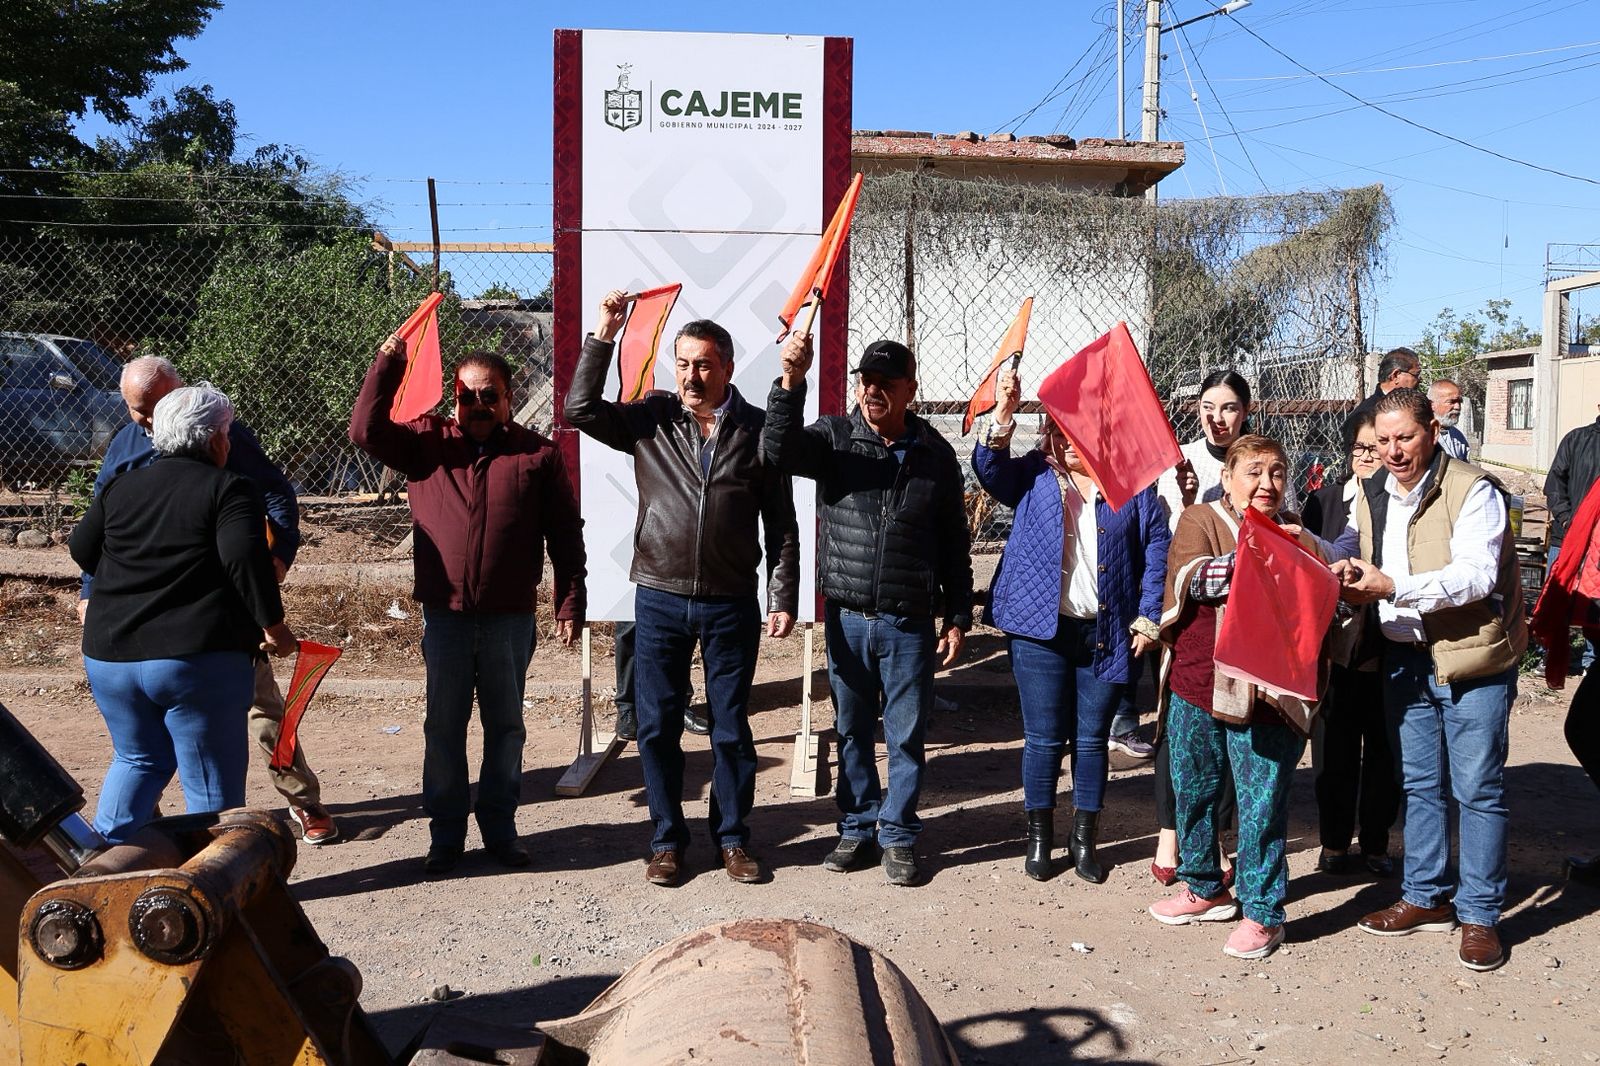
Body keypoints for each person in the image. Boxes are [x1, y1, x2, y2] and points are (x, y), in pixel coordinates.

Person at [566, 292, 798, 887]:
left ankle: (732, 838)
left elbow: (781, 520)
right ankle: (667, 841)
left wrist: (782, 592)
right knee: (658, 723)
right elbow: (581, 409)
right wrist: (604, 334)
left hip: (729, 602)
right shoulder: (652, 419)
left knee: (730, 727)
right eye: (684, 363)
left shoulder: (756, 429)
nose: (692, 376)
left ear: (726, 368)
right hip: (660, 596)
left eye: (703, 365)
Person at [77, 356, 338, 845]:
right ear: (217, 439)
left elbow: (81, 547)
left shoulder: (122, 486)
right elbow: (243, 560)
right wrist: (275, 627)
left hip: (111, 655)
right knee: (209, 782)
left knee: (137, 760)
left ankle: (100, 866)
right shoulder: (227, 487)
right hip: (195, 655)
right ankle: (211, 888)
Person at [351, 341, 586, 875]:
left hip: (509, 618)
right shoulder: (425, 442)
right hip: (447, 616)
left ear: (508, 398)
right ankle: (446, 837)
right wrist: (387, 362)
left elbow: (565, 536)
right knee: (444, 727)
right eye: (466, 396)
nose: (477, 405)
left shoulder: (537, 456)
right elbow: (365, 430)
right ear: (453, 398)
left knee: (506, 728)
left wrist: (570, 600)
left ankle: (500, 829)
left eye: (489, 396)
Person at [767, 331, 972, 888]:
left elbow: (954, 539)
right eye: (865, 380)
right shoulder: (835, 437)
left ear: (909, 389)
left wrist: (958, 615)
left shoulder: (935, 455)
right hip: (849, 616)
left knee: (905, 735)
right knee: (853, 729)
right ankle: (857, 827)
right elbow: (776, 451)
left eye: (886, 382)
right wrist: (790, 382)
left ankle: (899, 834)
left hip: (908, 622)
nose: (872, 390)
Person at [1330, 388, 1524, 972]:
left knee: (1478, 791)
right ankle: (1424, 896)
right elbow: (1354, 553)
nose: (1392, 451)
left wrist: (1392, 588)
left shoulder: (1472, 490)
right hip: (1404, 662)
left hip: (1471, 661)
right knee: (1420, 786)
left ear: (1432, 432)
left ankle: (1481, 916)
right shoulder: (1371, 493)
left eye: (1404, 438)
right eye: (1382, 441)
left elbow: (1474, 577)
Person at [974, 366, 1169, 883]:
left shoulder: (1134, 486)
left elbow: (1156, 552)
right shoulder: (1036, 474)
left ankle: (1084, 839)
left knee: (1091, 741)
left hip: (1106, 632)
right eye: (1058, 431)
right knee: (1042, 738)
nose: (1065, 441)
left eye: (1075, 431)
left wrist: (1149, 614)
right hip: (1040, 631)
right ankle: (1039, 838)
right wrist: (1004, 417)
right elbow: (989, 472)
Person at [1147, 434, 1325, 960]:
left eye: (1275, 472)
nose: (1266, 483)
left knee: (1260, 799)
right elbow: (1189, 577)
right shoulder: (1200, 520)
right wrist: (1262, 555)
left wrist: (1293, 552)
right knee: (1195, 787)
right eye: (1253, 471)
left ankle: (1264, 913)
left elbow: (1317, 589)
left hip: (1267, 692)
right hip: (1198, 680)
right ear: (1226, 477)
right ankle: (1205, 885)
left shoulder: (1297, 533)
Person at [1149, 369, 1256, 885]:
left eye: (1229, 407)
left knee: (1235, 725)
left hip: (1242, 623)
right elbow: (1168, 542)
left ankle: (1215, 834)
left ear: (1246, 411)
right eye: (1209, 406)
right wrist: (1189, 500)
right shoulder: (1179, 460)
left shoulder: (1258, 463)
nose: (1218, 417)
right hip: (1187, 613)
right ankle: (1170, 834)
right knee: (1179, 730)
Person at [1301, 409, 1399, 877]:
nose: (1365, 457)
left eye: (1373, 448)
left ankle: (1376, 843)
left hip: (1386, 646)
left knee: (1384, 752)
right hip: (1336, 647)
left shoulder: (1399, 503)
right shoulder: (1322, 501)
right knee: (1333, 751)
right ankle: (1334, 843)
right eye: (1357, 448)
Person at [1545, 402, 1600, 673]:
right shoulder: (1577, 439)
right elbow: (1555, 484)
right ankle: (1552, 656)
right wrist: (1568, 519)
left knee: (1595, 603)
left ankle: (1593, 659)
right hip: (1567, 539)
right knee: (1559, 595)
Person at [1345, 347, 1422, 433]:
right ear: (1395, 376)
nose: (1420, 380)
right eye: (1416, 374)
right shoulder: (1365, 416)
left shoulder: (1415, 410)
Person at [1428, 379, 1470, 461]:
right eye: (1451, 402)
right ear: (1431, 405)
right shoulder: (1422, 435)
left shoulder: (1458, 436)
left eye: (1459, 402)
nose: (1457, 407)